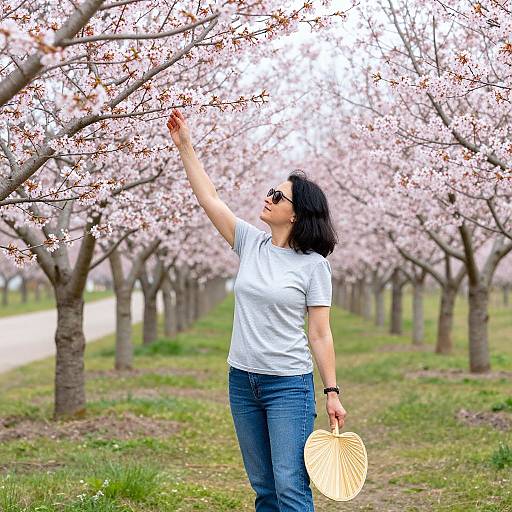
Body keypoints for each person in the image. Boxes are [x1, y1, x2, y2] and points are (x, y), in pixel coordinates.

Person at [166, 108, 347, 512]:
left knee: (291, 487)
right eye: (271, 190)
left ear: (296, 214)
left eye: (278, 196)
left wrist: (331, 392)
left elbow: (320, 333)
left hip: (288, 385)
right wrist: (186, 148)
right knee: (264, 488)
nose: (268, 197)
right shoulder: (250, 242)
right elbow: (210, 198)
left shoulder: (314, 266)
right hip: (242, 381)